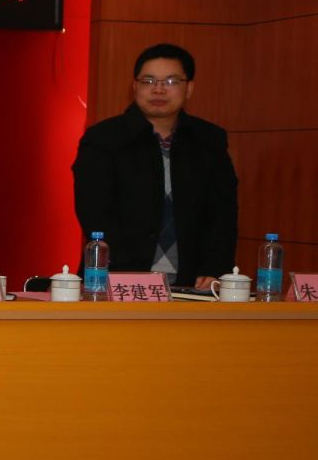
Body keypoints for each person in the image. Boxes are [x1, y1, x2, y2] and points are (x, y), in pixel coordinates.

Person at [71, 44, 238, 289]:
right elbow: (95, 213)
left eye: (171, 81)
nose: (158, 89)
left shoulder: (209, 140)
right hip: (117, 281)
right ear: (134, 86)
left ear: (189, 88)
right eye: (148, 81)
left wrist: (214, 269)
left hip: (194, 284)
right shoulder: (103, 139)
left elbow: (222, 216)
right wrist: (131, 276)